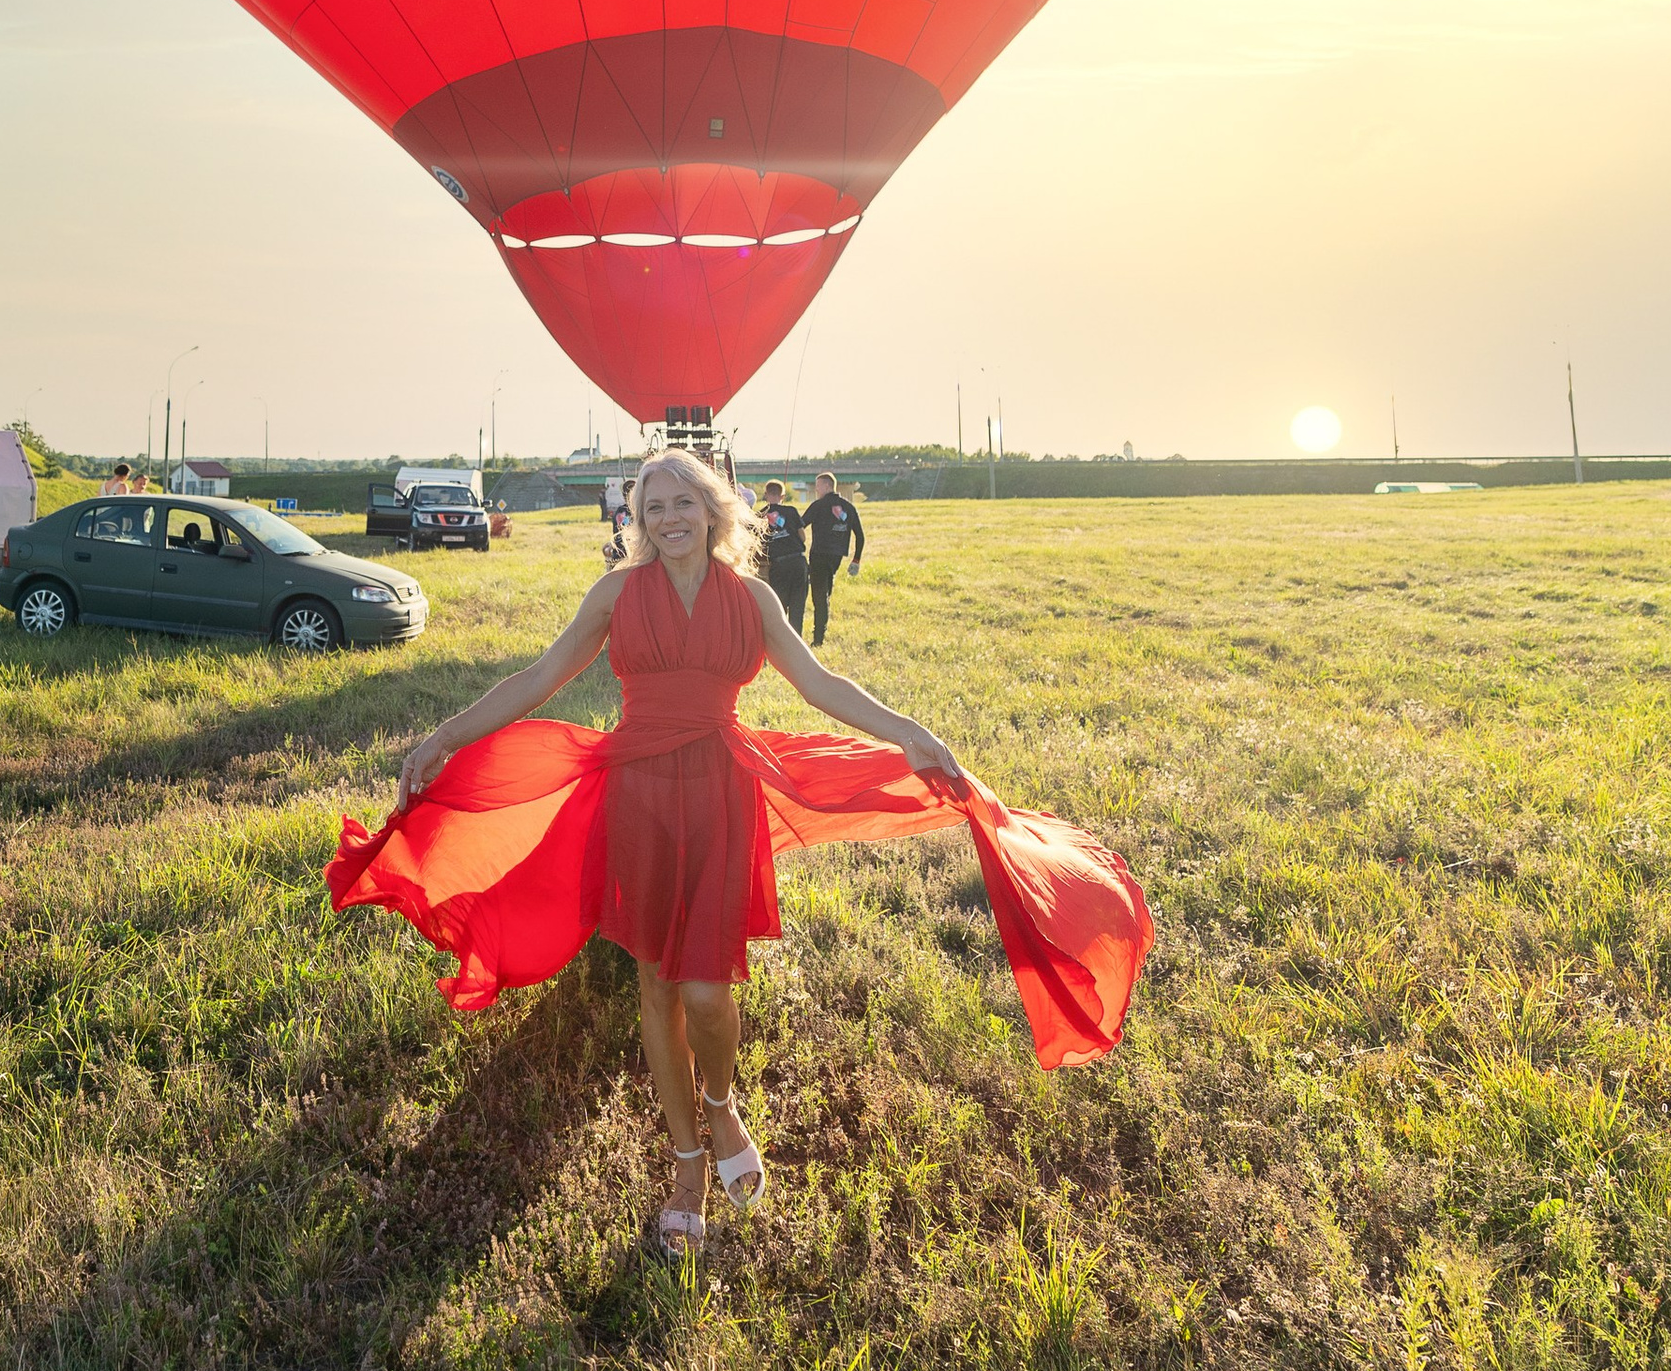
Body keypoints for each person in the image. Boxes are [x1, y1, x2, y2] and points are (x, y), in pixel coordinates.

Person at [329, 452, 1154, 1257]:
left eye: (682, 503)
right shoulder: (616, 595)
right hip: (639, 795)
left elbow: (819, 682)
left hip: (721, 792)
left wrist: (909, 732)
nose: (668, 518)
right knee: (657, 981)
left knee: (708, 990)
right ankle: (686, 1163)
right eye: (652, 508)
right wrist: (445, 736)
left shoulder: (752, 597)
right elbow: (541, 676)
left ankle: (720, 1100)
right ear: (637, 521)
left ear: (714, 510)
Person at [802, 470, 865, 645]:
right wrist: (856, 560)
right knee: (825, 594)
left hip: (819, 555)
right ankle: (820, 635)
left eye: (818, 486)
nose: (816, 490)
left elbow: (800, 524)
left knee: (819, 597)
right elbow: (860, 535)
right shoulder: (849, 507)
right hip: (836, 557)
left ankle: (818, 639)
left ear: (827, 486)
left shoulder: (818, 506)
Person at [758, 484, 809, 634]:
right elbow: (803, 537)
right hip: (798, 562)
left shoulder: (760, 515)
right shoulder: (791, 511)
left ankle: (781, 642)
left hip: (778, 565)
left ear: (766, 495)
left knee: (780, 608)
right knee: (797, 608)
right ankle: (797, 642)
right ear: (782, 496)